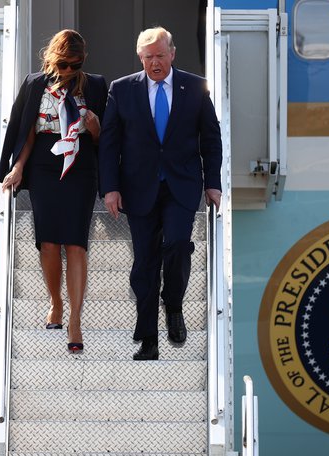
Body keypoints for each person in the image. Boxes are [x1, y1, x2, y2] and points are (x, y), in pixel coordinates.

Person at [99, 26, 222, 361]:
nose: (155, 62)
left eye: (160, 55)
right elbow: (109, 144)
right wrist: (109, 188)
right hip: (139, 187)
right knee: (145, 264)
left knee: (179, 245)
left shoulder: (195, 87)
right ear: (141, 58)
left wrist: (213, 182)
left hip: (181, 184)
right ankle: (148, 339)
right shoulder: (122, 90)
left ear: (172, 53)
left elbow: (210, 139)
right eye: (148, 57)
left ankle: (174, 303)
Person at [0, 29, 107, 353]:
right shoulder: (35, 84)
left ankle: (75, 320)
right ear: (52, 57)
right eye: (63, 63)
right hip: (44, 164)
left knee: (75, 244)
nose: (69, 70)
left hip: (81, 165)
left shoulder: (96, 85)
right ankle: (55, 302)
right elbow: (26, 131)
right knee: (48, 243)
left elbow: (106, 138)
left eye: (76, 64)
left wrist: (94, 125)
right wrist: (17, 167)